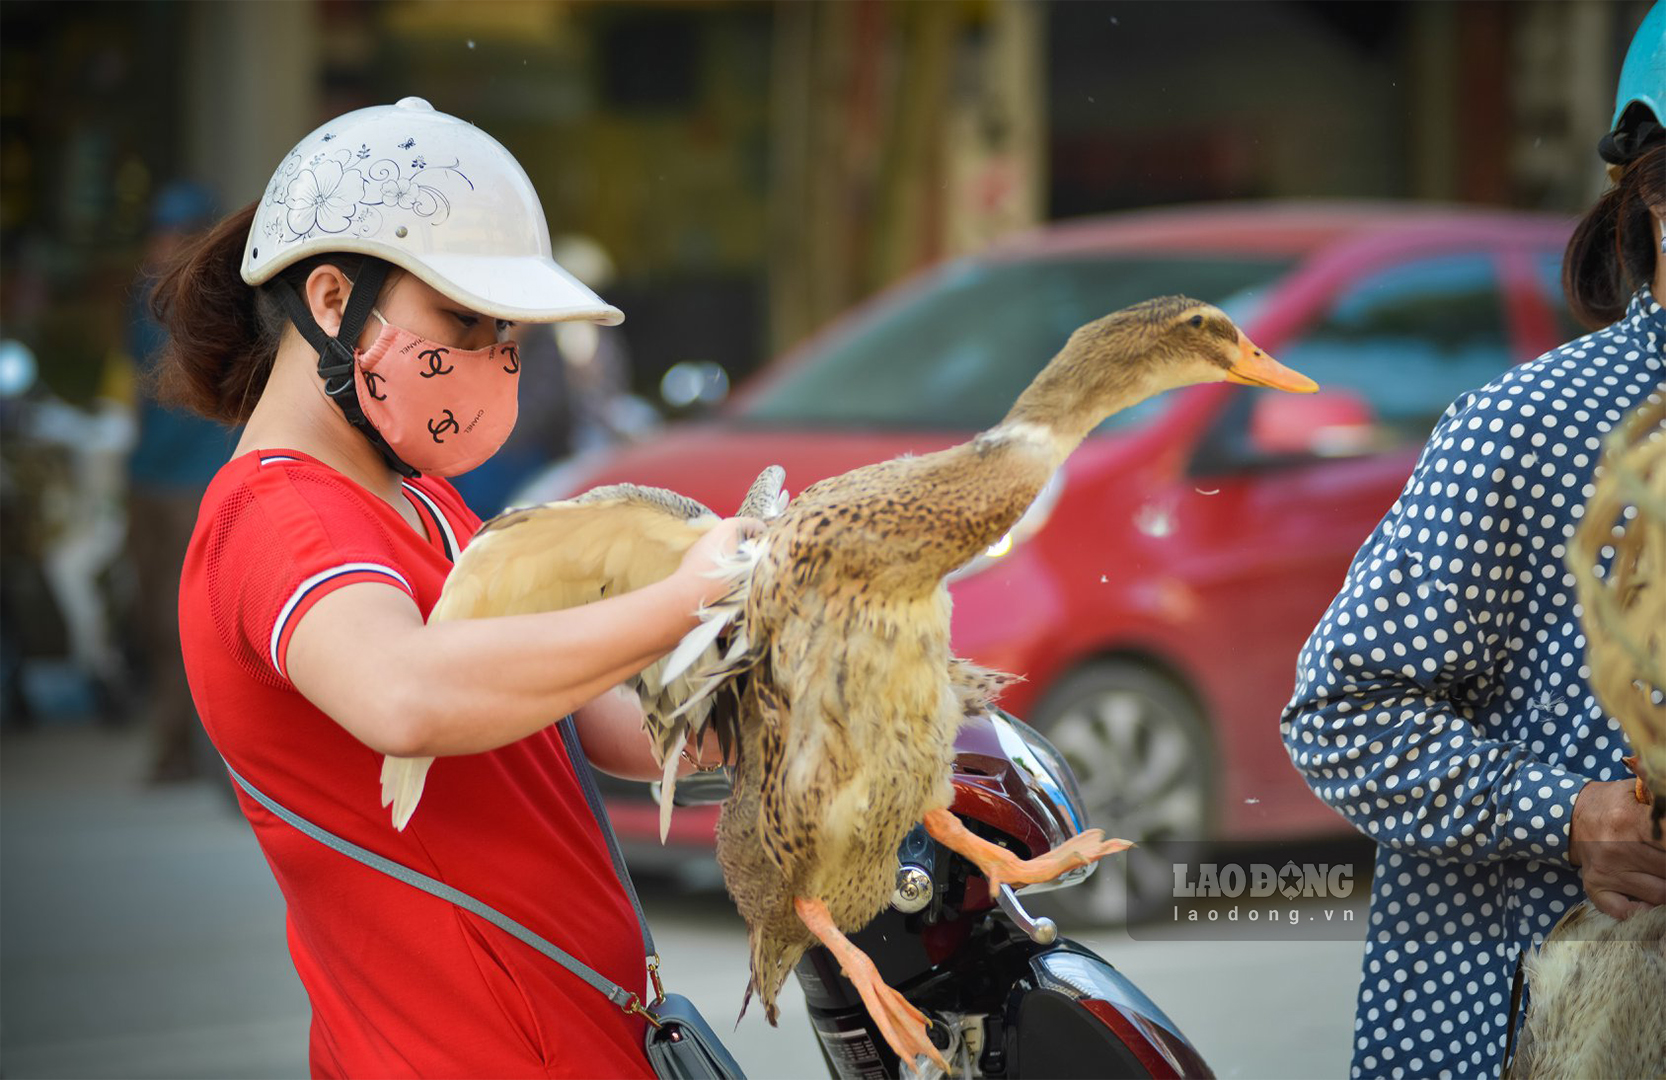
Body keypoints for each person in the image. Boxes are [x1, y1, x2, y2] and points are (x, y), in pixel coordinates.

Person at [151, 97, 753, 1078]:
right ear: (335, 301)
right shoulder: (277, 520)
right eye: (463, 319)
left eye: (505, 326)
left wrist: (812, 692)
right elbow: (407, 694)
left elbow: (603, 725)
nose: (492, 355)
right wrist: (684, 592)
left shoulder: (424, 507)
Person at [1281, 8, 1666, 1078]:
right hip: (1532, 1029)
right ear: (1654, 197)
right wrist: (1573, 816)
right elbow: (1339, 716)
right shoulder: (1530, 428)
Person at [125, 180, 237, 780]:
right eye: (162, 232)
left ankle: (198, 751)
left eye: (179, 233)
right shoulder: (142, 299)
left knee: (190, 618)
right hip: (147, 475)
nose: (166, 244)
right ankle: (177, 744)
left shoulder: (218, 301)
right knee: (152, 617)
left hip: (198, 480)